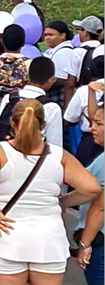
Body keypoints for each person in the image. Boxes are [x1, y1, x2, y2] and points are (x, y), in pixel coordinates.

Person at [0, 99, 100, 284]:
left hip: (8, 237)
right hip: (48, 239)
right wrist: (63, 202)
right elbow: (91, 188)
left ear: (12, 123)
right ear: (43, 125)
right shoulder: (59, 156)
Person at [63, 83, 104, 285]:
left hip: (100, 241)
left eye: (99, 124)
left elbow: (100, 205)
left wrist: (85, 243)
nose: (92, 128)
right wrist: (91, 92)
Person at [0, 57, 63, 147]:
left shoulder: (9, 98)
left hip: (8, 154)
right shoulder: (51, 107)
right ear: (50, 80)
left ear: (28, 76)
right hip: (36, 157)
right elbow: (55, 145)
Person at [65, 57, 105, 166]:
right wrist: (91, 92)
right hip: (93, 142)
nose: (93, 126)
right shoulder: (89, 89)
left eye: (99, 124)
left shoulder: (82, 90)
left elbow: (69, 120)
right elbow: (95, 116)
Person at [43, 20, 75, 107]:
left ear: (62, 35)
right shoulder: (51, 51)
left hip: (59, 96)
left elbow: (63, 80)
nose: (47, 38)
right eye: (46, 35)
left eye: (51, 35)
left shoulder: (64, 52)